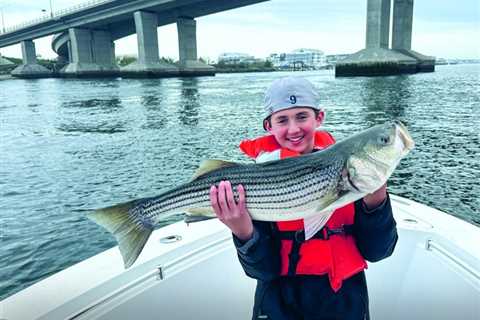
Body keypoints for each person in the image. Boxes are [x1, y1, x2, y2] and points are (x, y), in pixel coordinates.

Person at [209, 77, 398, 320]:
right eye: (282, 119)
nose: (294, 129)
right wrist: (244, 232)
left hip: (345, 302)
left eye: (302, 116)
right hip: (279, 306)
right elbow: (261, 270)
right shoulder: (256, 182)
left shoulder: (354, 173)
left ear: (319, 118)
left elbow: (378, 252)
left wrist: (376, 202)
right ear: (269, 125)